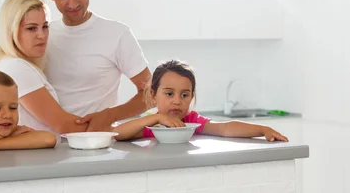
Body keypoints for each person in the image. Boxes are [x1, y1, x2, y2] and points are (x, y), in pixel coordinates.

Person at [43, 0, 151, 132]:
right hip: (47, 143)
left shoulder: (117, 34)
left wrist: (110, 115)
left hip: (97, 141)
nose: (73, 3)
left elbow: (151, 94)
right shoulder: (43, 35)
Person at [114, 60, 289, 142]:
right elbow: (117, 134)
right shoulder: (150, 125)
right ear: (153, 95)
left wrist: (262, 129)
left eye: (184, 95)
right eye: (169, 94)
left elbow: (225, 129)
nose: (177, 101)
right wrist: (154, 119)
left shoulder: (192, 121)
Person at [0, 0, 89, 135]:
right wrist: (114, 126)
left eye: (45, 26)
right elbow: (64, 125)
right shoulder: (18, 68)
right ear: (11, 31)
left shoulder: (11, 64)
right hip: (35, 156)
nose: (42, 35)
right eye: (31, 28)